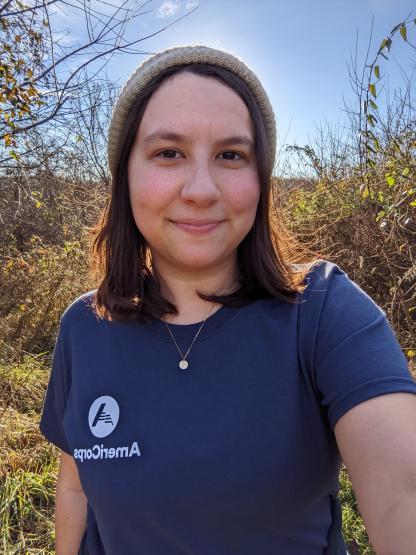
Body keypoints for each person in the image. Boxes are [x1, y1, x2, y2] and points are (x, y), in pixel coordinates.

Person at [39, 45, 416, 555]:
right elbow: (76, 486)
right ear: (124, 173)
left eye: (231, 155)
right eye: (168, 153)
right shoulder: (85, 327)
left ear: (261, 180)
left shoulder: (324, 312)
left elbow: (403, 489)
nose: (200, 189)